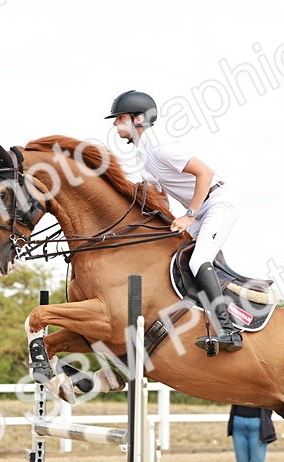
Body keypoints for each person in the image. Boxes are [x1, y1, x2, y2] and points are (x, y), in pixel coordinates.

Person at [106, 89, 243, 354]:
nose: (114, 124)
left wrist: (189, 215)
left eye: (119, 118)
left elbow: (205, 173)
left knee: (197, 261)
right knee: (174, 257)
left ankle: (229, 331)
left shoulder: (162, 147)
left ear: (137, 119)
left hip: (218, 203)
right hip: (200, 210)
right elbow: (160, 198)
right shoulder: (142, 155)